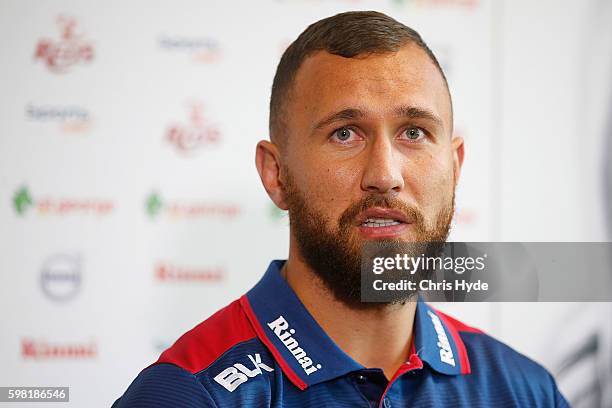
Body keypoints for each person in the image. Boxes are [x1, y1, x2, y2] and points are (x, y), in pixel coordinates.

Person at [112, 11, 568, 407]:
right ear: (276, 174)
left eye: (413, 132)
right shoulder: (189, 395)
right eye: (345, 133)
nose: (385, 174)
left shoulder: (525, 390)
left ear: (454, 167)